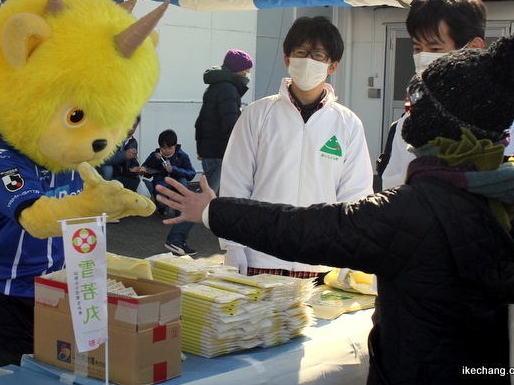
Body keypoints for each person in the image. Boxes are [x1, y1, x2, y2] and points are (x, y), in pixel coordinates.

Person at [157, 34, 514, 385]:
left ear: (436, 123)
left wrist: (213, 211)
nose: (408, 111)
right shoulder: (511, 200)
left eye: (416, 104)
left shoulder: (413, 209)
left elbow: (309, 229)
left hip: (417, 376)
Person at [380, 0, 514, 235]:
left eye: (435, 49)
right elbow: (393, 191)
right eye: (417, 48)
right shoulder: (412, 118)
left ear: (475, 47)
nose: (424, 58)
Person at [219, 16, 373, 279]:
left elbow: (355, 194)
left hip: (321, 262)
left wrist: (352, 251)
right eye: (300, 52)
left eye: (318, 55)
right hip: (261, 256)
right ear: (287, 59)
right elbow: (235, 183)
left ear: (332, 66)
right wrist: (233, 246)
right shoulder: (258, 114)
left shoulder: (347, 124)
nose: (307, 60)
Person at [195, 49, 253, 194]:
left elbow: (202, 121)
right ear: (237, 70)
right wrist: (241, 148)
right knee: (207, 195)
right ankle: (188, 216)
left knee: (211, 191)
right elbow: (230, 125)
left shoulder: (216, 86)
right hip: (220, 151)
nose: (248, 74)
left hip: (211, 150)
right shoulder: (228, 90)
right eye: (246, 71)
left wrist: (202, 149)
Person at [143, 129, 197, 255]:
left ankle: (180, 211)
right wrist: (154, 160)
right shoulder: (155, 155)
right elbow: (145, 170)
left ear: (175, 145)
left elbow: (191, 173)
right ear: (160, 146)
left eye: (170, 147)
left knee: (183, 182)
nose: (167, 150)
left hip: (177, 182)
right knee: (161, 203)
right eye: (164, 147)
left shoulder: (182, 156)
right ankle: (161, 208)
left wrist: (174, 170)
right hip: (161, 183)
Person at [96, 116, 153, 196]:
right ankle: (104, 198)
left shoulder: (133, 142)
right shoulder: (109, 138)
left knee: (148, 186)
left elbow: (131, 165)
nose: (130, 129)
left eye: (134, 126)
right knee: (108, 169)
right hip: (107, 178)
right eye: (128, 124)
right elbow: (101, 160)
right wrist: (123, 155)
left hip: (122, 178)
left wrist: (137, 171)